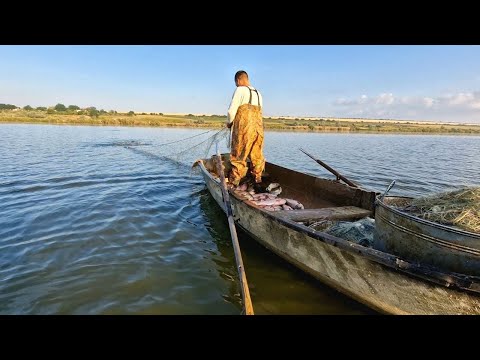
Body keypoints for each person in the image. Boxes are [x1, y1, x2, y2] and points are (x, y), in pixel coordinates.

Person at [225, 70, 265, 187]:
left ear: (238, 80)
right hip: (258, 128)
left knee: (239, 154)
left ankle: (234, 182)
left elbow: (231, 111)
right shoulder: (258, 93)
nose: (236, 85)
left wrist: (229, 122)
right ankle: (257, 180)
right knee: (257, 155)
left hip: (244, 128)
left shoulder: (240, 90)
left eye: (236, 83)